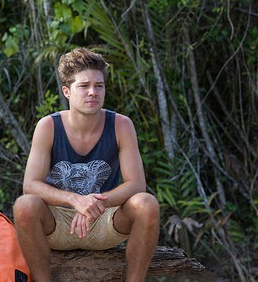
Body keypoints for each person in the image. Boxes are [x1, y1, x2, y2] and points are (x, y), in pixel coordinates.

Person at [12, 47, 160, 281]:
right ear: (67, 91)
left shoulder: (121, 125)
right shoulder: (48, 126)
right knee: (25, 206)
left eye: (99, 86)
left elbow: (136, 184)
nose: (93, 92)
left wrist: (93, 205)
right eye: (84, 86)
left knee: (147, 204)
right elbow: (30, 185)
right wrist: (74, 199)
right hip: (58, 222)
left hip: (105, 220)